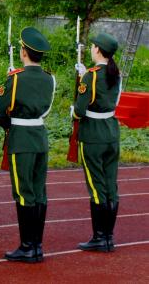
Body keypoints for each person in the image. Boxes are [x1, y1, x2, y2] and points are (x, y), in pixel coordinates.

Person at [0, 26, 55, 264]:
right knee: (39, 191)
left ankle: (27, 246)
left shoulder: (15, 78)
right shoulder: (50, 78)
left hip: (21, 137)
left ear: (23, 52)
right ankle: (37, 246)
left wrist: (9, 125)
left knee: (23, 192)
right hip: (40, 136)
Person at [73, 31, 122, 253]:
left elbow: (80, 111)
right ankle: (108, 236)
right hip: (111, 132)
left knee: (96, 187)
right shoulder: (116, 73)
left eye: (93, 46)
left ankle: (99, 237)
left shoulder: (91, 76)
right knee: (110, 185)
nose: (91, 49)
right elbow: (114, 101)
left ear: (98, 50)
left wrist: (72, 110)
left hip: (93, 135)